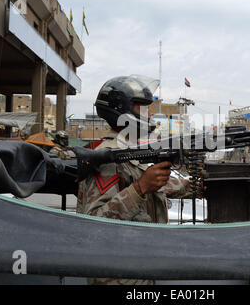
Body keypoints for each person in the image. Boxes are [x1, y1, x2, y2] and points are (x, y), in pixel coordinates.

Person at [77, 75, 190, 285]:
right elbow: (94, 225)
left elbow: (159, 185)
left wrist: (197, 185)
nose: (149, 114)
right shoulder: (106, 158)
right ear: (122, 110)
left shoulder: (131, 153)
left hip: (138, 272)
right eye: (142, 107)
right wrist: (140, 188)